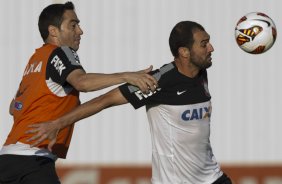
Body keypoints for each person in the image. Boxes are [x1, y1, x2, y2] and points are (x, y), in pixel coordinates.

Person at [25, 21, 233, 184]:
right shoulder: (158, 81)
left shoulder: (201, 74)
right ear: (184, 52)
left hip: (214, 178)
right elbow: (104, 100)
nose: (211, 48)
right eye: (204, 44)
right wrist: (57, 124)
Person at [0, 2, 158, 184]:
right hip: (33, 160)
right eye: (73, 25)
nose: (80, 31)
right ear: (53, 31)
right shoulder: (60, 52)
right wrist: (126, 76)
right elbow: (82, 82)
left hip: (7, 160)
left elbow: (14, 107)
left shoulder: (35, 60)